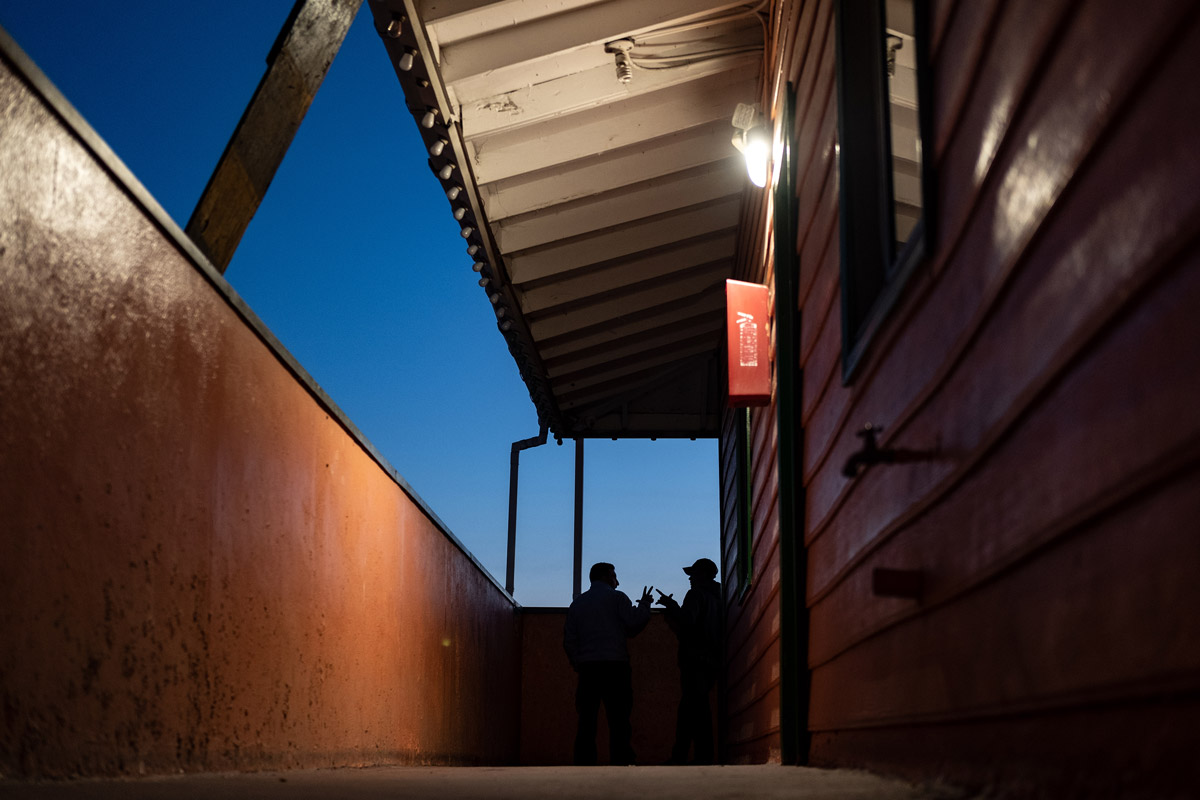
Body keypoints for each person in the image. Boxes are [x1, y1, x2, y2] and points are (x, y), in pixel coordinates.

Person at [563, 562, 654, 765]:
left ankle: (584, 764)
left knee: (587, 721)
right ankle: (621, 762)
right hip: (616, 667)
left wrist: (577, 661)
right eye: (614, 576)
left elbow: (569, 639)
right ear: (606, 577)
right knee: (619, 720)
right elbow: (633, 623)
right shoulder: (617, 598)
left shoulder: (578, 604)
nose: (617, 581)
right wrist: (645, 604)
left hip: (588, 668)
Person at [656, 557, 723, 765]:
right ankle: (700, 756)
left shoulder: (696, 594)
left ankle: (683, 757)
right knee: (698, 710)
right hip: (710, 661)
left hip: (693, 660)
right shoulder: (719, 597)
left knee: (690, 711)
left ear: (702, 575)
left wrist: (671, 605)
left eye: (693, 574)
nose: (690, 579)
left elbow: (687, 621)